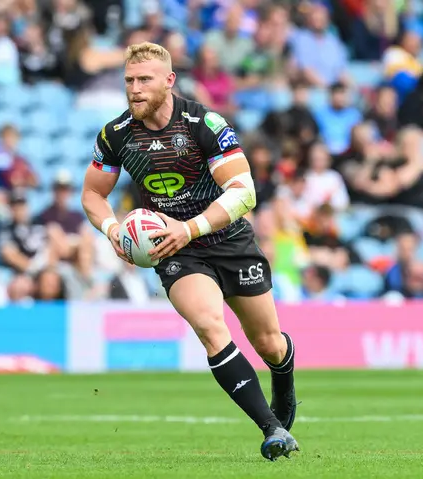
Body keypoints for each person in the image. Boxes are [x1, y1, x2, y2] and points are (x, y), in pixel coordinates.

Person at [81, 42, 299, 461]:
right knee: (209, 327)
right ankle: (271, 428)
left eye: (144, 80)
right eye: (129, 80)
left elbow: (244, 191)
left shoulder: (205, 123)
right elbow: (92, 194)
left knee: (269, 343)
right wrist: (111, 229)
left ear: (168, 81)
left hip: (228, 239)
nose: (134, 89)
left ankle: (283, 380)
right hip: (175, 250)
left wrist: (191, 227)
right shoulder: (116, 134)